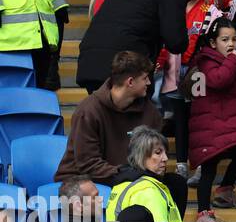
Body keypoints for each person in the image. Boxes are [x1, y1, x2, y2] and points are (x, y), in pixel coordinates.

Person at [57, 52, 164, 184]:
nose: (148, 82)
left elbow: (153, 153)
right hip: (83, 182)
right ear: (130, 82)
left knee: (176, 183)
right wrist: (126, 173)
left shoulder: (150, 112)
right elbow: (88, 164)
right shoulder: (88, 111)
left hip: (131, 180)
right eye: (145, 78)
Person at [188, 18, 236, 222]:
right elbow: (219, 80)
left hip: (219, 127)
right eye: (225, 39)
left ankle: (224, 190)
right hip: (209, 128)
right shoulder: (208, 61)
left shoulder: (223, 60)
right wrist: (234, 60)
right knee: (208, 170)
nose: (231, 44)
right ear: (213, 43)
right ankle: (203, 216)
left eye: (234, 39)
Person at [104, 129, 189, 222]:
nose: (165, 158)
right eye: (158, 152)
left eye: (165, 153)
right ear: (141, 156)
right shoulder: (148, 191)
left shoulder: (120, 186)